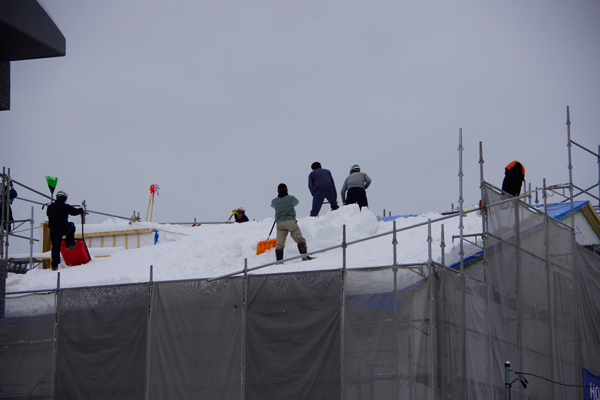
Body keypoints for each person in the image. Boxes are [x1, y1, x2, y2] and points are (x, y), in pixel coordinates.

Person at [270, 183, 312, 262]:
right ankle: (304, 256)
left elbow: (272, 205)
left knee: (280, 244)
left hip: (280, 223)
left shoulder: (274, 201)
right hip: (290, 221)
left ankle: (279, 262)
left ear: (277, 191)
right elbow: (296, 202)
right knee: (299, 239)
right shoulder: (291, 198)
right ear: (287, 190)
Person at [46, 191, 83, 271]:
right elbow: (74, 212)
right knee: (72, 225)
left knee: (55, 248)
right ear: (65, 198)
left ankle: (55, 265)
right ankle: (69, 243)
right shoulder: (64, 206)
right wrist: (81, 209)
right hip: (63, 228)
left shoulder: (50, 207)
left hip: (53, 230)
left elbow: (48, 214)